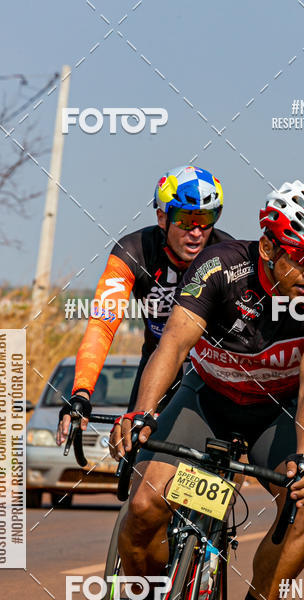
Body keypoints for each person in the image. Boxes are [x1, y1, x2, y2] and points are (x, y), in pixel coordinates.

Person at [108, 179, 304, 600]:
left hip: (276, 411)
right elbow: (172, 347)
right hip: (209, 398)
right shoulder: (221, 267)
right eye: (301, 257)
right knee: (145, 506)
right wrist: (141, 414)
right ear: (268, 245)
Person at [56, 165, 231, 445]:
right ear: (162, 217)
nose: (197, 232)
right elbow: (102, 324)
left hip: (210, 371)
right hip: (157, 364)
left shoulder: (227, 255)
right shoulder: (132, 252)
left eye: (206, 219)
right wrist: (81, 393)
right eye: (186, 220)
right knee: (129, 448)